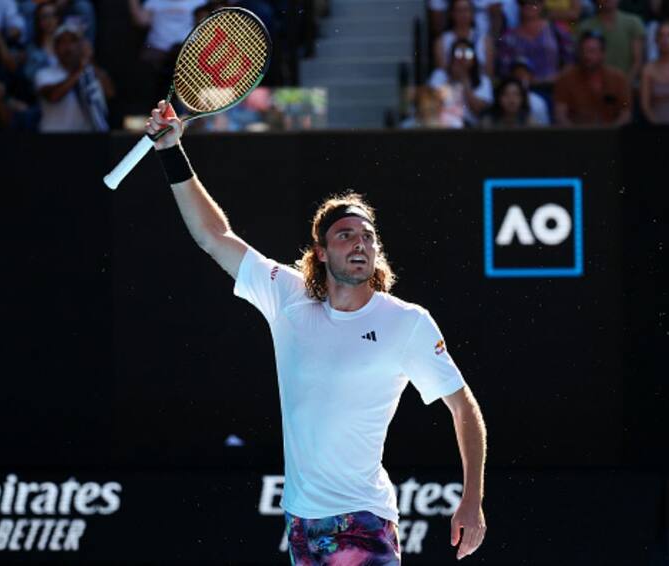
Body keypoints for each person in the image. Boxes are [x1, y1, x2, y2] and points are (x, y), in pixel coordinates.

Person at [144, 99, 488, 564]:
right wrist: (171, 151)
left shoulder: (407, 322)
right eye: (346, 235)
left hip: (365, 520)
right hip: (302, 523)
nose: (360, 243)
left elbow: (462, 406)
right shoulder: (287, 298)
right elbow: (213, 236)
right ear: (322, 253)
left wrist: (472, 498)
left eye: (367, 236)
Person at [34, 22, 112, 132]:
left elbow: (109, 93)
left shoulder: (90, 72)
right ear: (55, 48)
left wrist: (90, 61)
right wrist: (80, 70)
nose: (68, 47)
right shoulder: (44, 74)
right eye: (63, 42)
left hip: (85, 140)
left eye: (73, 41)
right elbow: (53, 96)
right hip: (52, 139)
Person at [554, 30, 632, 125]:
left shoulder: (618, 79)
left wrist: (612, 133)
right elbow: (560, 114)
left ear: (602, 54)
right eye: (583, 51)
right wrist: (575, 135)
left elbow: (626, 111)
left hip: (612, 134)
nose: (587, 56)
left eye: (592, 51)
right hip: (576, 134)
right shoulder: (566, 79)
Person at [496, 0, 574, 93]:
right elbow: (504, 70)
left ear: (542, 4)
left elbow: (570, 61)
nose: (529, 6)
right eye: (523, 3)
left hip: (555, 90)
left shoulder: (557, 30)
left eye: (534, 2)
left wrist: (557, 79)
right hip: (523, 94)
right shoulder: (508, 37)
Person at [428, 38, 494, 127]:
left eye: (468, 54)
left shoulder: (484, 81)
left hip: (471, 129)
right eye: (458, 53)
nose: (463, 58)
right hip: (442, 125)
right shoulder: (439, 75)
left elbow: (478, 110)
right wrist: (451, 79)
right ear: (451, 57)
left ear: (474, 58)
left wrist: (464, 80)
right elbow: (431, 105)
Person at [577, 0, 645, 84]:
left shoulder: (634, 23)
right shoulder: (584, 27)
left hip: (625, 87)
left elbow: (637, 61)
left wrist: (624, 87)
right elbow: (581, 60)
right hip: (592, 88)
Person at [434, 0, 496, 76]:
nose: (463, 14)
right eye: (459, 10)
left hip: (478, 85)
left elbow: (489, 73)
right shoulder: (441, 41)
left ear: (472, 13)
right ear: (452, 14)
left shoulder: (485, 41)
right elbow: (442, 72)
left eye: (466, 10)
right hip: (451, 85)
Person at [640, 20, 669, 123]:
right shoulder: (648, 70)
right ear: (656, 39)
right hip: (657, 128)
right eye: (661, 35)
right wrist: (658, 127)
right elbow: (645, 106)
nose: (665, 40)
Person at [510, 56, 551, 123]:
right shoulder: (503, 99)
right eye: (516, 74)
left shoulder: (538, 102)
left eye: (523, 74)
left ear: (531, 77)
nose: (520, 77)